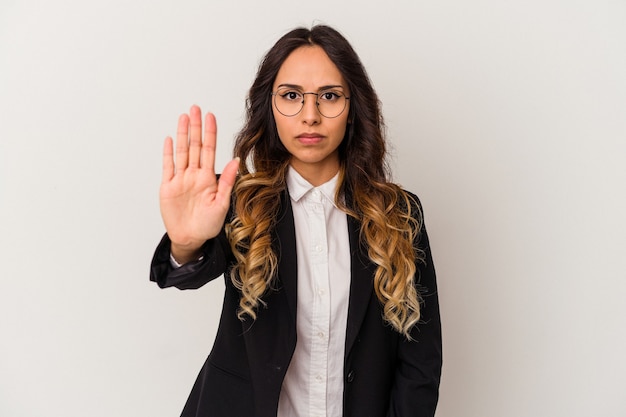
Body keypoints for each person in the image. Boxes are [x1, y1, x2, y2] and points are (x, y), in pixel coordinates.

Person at [150, 25, 442, 417]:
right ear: (269, 107)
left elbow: (420, 362)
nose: (310, 116)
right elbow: (188, 272)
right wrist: (185, 244)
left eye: (329, 96)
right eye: (291, 96)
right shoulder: (238, 203)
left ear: (353, 108)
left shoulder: (399, 215)